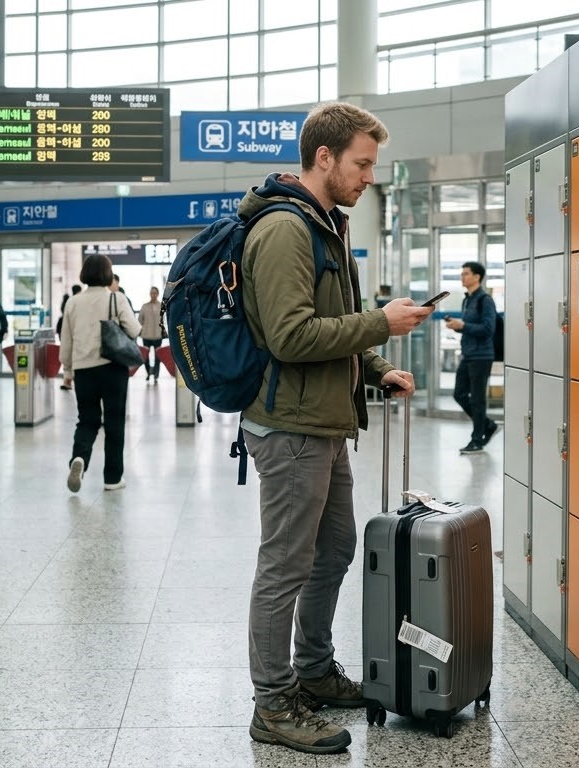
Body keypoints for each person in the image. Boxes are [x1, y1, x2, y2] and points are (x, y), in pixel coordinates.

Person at [238, 102, 431, 755]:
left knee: (335, 548)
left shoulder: (326, 225)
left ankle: (314, 671)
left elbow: (336, 320)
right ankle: (273, 702)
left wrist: (377, 368)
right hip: (289, 424)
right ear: (324, 157)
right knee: (285, 564)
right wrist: (381, 323)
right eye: (361, 162)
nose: (368, 175)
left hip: (324, 421)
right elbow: (292, 336)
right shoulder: (286, 230)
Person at [59, 254, 139, 494]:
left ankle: (80, 459)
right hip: (113, 367)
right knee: (114, 422)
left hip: (84, 369)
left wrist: (68, 371)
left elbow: (66, 341)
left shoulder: (72, 302)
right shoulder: (117, 298)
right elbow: (134, 330)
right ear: (107, 274)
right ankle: (112, 479)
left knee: (87, 419)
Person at [446, 261, 499, 454]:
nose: (462, 277)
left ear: (477, 277)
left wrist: (463, 326)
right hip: (468, 354)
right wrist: (458, 326)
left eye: (466, 274)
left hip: (482, 356)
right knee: (459, 394)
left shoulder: (485, 300)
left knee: (477, 399)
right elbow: (469, 327)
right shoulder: (467, 299)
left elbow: (488, 329)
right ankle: (488, 425)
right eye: (462, 274)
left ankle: (477, 439)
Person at [137, 286, 165, 384]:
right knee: (145, 356)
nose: (153, 295)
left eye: (155, 293)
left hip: (158, 335)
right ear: (150, 294)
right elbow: (139, 320)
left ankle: (156, 374)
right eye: (151, 293)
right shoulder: (144, 306)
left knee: (158, 357)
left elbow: (164, 320)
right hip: (146, 335)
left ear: (157, 294)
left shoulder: (161, 306)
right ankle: (148, 373)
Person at [57, 285, 82, 391]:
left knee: (68, 354)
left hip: (64, 329)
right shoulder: (78, 302)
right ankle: (69, 378)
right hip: (77, 335)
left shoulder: (68, 301)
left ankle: (67, 379)